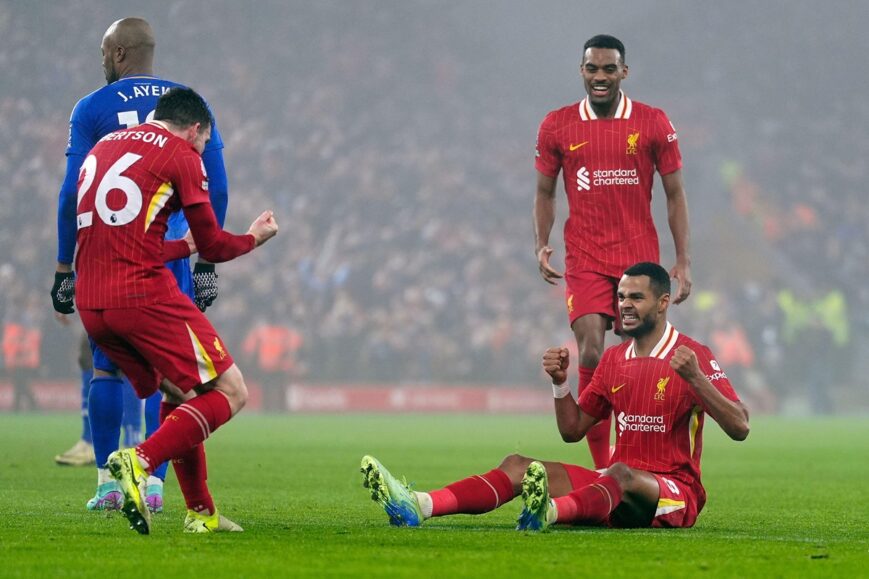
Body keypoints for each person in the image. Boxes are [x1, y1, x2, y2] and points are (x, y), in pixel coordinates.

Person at [362, 262, 748, 530]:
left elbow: (740, 426)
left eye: (636, 298)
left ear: (663, 303)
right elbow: (572, 429)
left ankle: (547, 512)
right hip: (612, 487)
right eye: (621, 296)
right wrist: (560, 383)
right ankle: (420, 505)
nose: (625, 305)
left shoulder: (692, 355)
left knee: (620, 473)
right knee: (517, 464)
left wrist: (697, 379)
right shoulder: (614, 359)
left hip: (672, 494)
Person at [74, 87, 277, 534]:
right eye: (205, 143)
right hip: (142, 296)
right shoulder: (181, 154)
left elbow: (115, 235)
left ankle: (200, 514)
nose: (204, 152)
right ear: (196, 128)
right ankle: (138, 461)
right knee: (232, 390)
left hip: (92, 303)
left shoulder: (104, 146)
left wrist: (173, 247)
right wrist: (253, 238)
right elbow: (214, 245)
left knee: (181, 395)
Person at [50, 17, 230, 512]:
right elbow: (217, 184)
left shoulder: (91, 108)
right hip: (168, 253)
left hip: (108, 258)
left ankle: (109, 485)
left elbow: (70, 194)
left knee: (106, 371)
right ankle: (154, 485)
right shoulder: (188, 104)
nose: (102, 60)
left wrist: (65, 266)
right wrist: (207, 262)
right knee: (176, 378)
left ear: (121, 54)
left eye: (105, 52)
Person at [533, 35, 693, 469]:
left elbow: (675, 194)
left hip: (638, 258)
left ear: (624, 72)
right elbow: (545, 192)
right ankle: (605, 466)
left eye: (608, 69)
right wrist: (542, 240)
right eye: (592, 69)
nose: (600, 77)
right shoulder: (557, 126)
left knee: (634, 358)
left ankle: (640, 457)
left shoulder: (653, 123)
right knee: (589, 351)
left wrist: (682, 259)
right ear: (582, 72)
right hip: (584, 256)